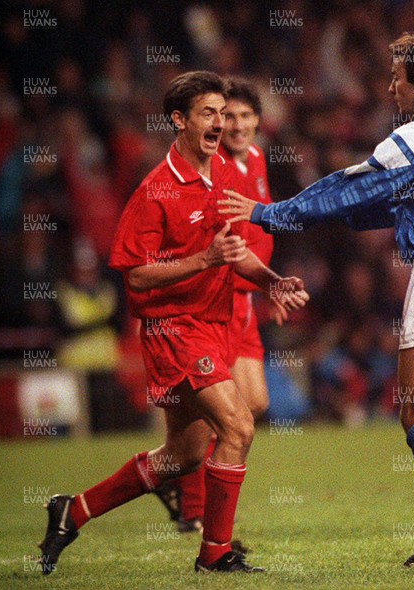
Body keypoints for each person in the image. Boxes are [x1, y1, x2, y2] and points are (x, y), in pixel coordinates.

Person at [219, 33, 414, 565]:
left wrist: (267, 213)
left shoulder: (411, 137)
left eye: (397, 78)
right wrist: (352, 215)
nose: (390, 87)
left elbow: (346, 187)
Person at [39, 71, 309, 575]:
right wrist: (203, 262)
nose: (220, 122)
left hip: (212, 324)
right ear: (179, 121)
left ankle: (72, 511)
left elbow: (234, 250)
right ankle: (215, 554)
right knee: (239, 426)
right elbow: (137, 276)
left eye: (223, 112)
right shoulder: (155, 190)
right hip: (172, 329)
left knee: (182, 457)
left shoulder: (224, 172)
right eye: (208, 113)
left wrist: (271, 280)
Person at [153, 78, 278, 533]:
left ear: (258, 121)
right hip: (217, 300)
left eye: (246, 116)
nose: (237, 124)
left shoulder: (258, 160)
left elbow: (258, 234)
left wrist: (272, 287)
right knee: (228, 414)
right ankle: (193, 504)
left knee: (252, 405)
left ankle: (181, 478)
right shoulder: (216, 168)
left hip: (246, 298)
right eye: (230, 117)